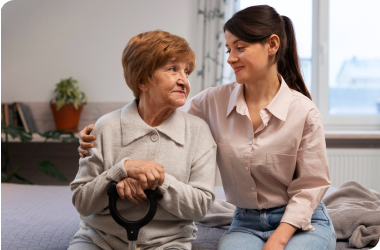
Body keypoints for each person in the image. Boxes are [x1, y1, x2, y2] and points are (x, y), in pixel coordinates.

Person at [78, 5, 336, 250]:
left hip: (302, 222)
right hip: (246, 221)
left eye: (240, 47)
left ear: (272, 45)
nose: (231, 58)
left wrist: (277, 242)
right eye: (228, 50)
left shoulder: (304, 112)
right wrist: (101, 134)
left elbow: (311, 186)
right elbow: (156, 118)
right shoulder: (212, 102)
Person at [69, 30, 217, 250]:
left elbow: (200, 207)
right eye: (172, 69)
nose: (183, 80)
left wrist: (158, 180)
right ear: (142, 81)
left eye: (186, 72)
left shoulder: (199, 131)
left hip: (169, 243)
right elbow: (82, 201)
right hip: (100, 239)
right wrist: (121, 170)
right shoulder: (105, 127)